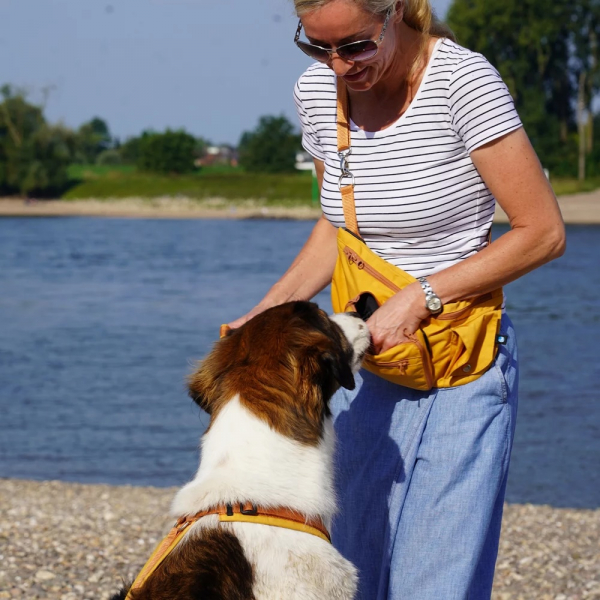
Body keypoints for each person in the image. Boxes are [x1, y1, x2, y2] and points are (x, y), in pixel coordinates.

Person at [230, 0, 566, 598]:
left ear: (398, 13)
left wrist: (421, 296)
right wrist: (268, 312)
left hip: (463, 367)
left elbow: (541, 231)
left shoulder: (463, 81)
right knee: (352, 575)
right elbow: (337, 228)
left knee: (432, 583)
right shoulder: (317, 93)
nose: (339, 66)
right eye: (318, 46)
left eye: (355, 45)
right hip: (367, 368)